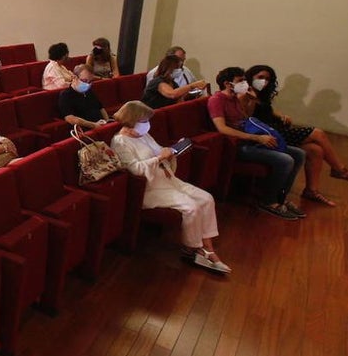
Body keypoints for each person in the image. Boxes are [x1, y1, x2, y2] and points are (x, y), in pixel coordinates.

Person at [112, 101, 229, 273]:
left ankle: (207, 247)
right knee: (191, 207)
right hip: (150, 189)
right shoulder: (120, 142)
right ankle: (192, 249)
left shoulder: (143, 135)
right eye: (144, 121)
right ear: (132, 120)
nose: (147, 124)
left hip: (168, 181)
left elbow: (159, 150)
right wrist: (159, 158)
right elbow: (135, 169)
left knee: (206, 198)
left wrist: (171, 151)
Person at [244, 63, 348, 206]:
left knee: (315, 150)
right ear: (251, 77)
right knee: (318, 133)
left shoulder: (261, 94)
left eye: (267, 79)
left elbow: (265, 110)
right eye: (260, 77)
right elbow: (246, 118)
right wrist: (252, 100)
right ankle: (339, 169)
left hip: (274, 129)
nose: (264, 81)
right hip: (266, 133)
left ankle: (311, 190)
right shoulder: (246, 93)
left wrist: (280, 115)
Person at [208, 66, 306, 220]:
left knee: (299, 154)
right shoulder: (216, 100)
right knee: (285, 160)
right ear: (227, 83)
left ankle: (281, 197)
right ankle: (269, 201)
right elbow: (222, 128)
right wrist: (256, 138)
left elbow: (246, 119)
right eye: (240, 81)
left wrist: (252, 100)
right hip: (237, 146)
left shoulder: (235, 98)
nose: (244, 83)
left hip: (249, 140)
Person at [143, 55, 208, 109]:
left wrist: (194, 93)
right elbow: (172, 94)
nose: (181, 70)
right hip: (151, 114)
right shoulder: (157, 81)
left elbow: (179, 100)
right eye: (178, 67)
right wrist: (192, 85)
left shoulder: (173, 83)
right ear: (170, 68)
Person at [59, 64, 112, 129]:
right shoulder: (65, 95)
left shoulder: (89, 91)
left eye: (90, 82)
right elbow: (70, 118)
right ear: (74, 77)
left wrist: (107, 122)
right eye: (84, 81)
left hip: (101, 125)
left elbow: (101, 108)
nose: (87, 84)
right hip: (87, 129)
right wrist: (94, 125)